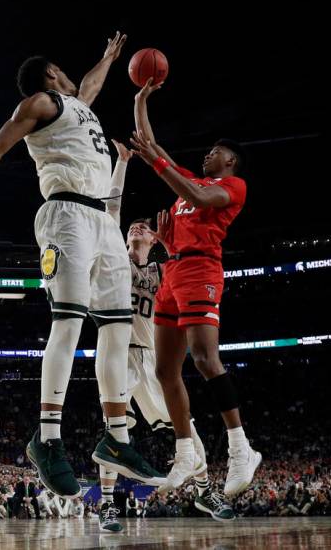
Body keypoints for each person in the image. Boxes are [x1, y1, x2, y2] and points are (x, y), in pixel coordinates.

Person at [0, 32, 155, 497]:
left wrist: (108, 58)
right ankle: (47, 437)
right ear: (50, 75)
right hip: (66, 214)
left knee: (117, 327)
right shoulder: (38, 103)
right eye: (61, 71)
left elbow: (88, 86)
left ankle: (117, 438)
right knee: (69, 323)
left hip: (103, 220)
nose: (73, 78)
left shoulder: (78, 105)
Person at [130, 80, 261, 497]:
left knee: (205, 358)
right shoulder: (188, 180)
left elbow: (195, 197)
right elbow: (151, 145)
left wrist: (160, 165)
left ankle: (241, 448)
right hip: (171, 270)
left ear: (231, 161)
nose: (208, 154)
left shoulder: (230, 188)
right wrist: (140, 100)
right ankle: (185, 451)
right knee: (164, 369)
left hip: (202, 270)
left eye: (216, 152)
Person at [95, 140, 234, 533]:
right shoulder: (114, 260)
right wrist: (122, 162)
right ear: (124, 237)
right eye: (132, 226)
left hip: (150, 358)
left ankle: (205, 488)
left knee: (182, 422)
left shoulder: (165, 273)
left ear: (156, 240)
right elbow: (111, 209)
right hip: (117, 352)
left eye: (145, 226)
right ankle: (107, 506)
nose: (138, 226)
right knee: (113, 432)